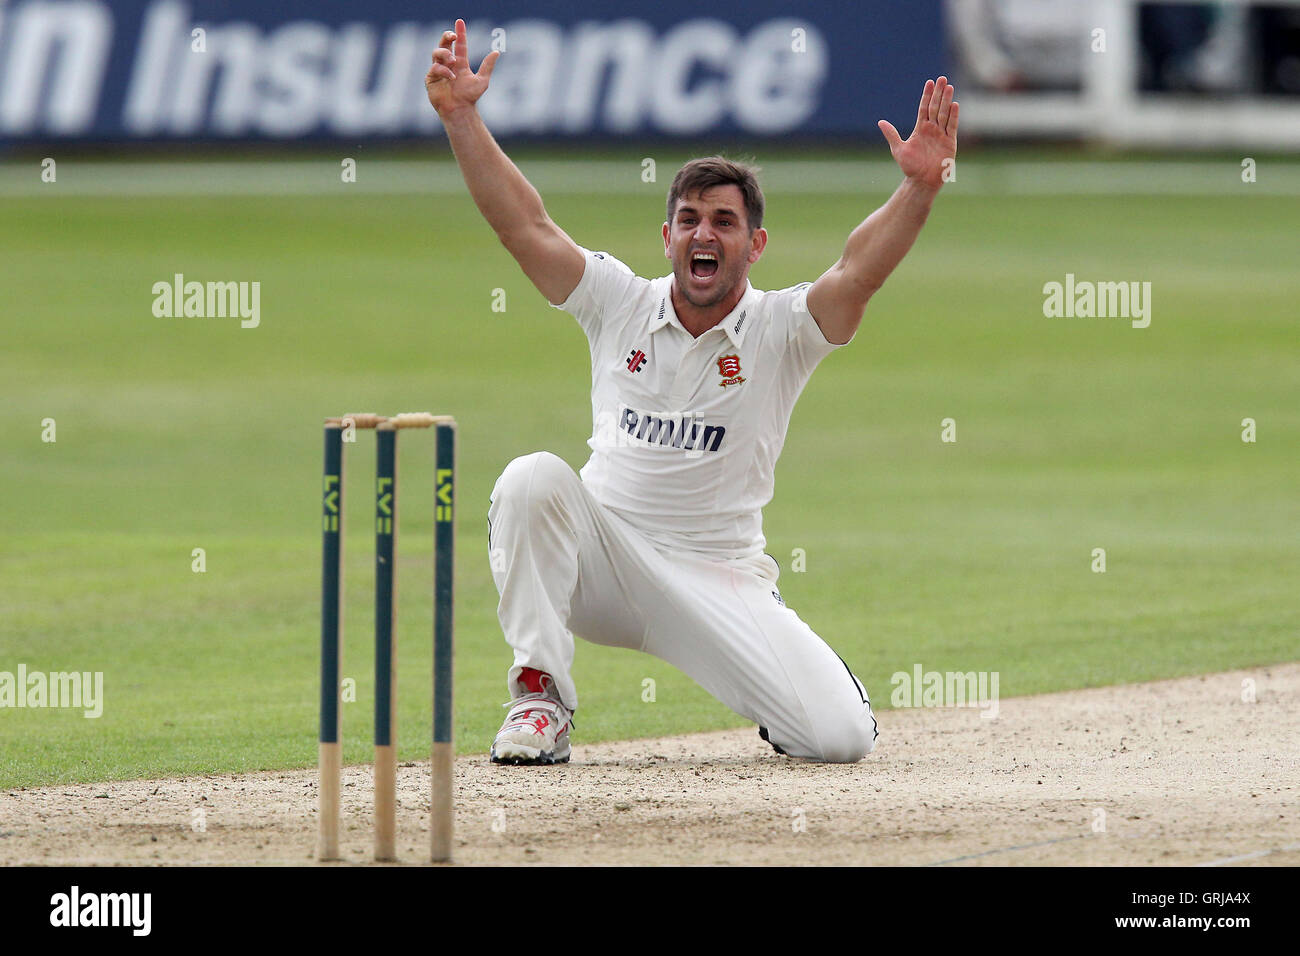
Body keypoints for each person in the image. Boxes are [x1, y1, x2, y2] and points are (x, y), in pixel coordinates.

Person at [425, 19, 958, 764]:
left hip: (719, 579)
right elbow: (525, 227)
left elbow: (856, 273)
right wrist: (462, 117)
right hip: (603, 562)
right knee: (531, 480)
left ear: (754, 244)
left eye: (724, 222)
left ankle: (790, 699)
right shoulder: (618, 301)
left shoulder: (782, 328)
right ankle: (540, 699)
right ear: (668, 237)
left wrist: (918, 188)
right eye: (689, 220)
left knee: (838, 740)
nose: (704, 234)